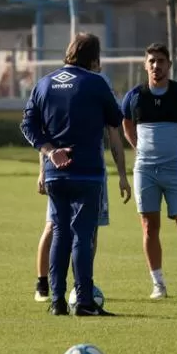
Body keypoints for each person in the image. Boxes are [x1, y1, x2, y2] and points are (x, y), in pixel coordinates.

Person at [21, 33, 124, 317]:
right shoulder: (95, 82)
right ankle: (85, 302)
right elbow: (116, 118)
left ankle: (57, 301)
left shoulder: (44, 84)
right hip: (87, 171)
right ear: (94, 58)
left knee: (60, 234)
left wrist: (50, 150)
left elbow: (28, 124)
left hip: (55, 172)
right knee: (82, 236)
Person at [122, 44, 177, 299]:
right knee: (150, 227)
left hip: (176, 171)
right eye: (151, 61)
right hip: (145, 170)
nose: (156, 66)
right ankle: (158, 284)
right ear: (144, 65)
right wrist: (138, 147)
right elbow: (126, 123)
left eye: (161, 61)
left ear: (170, 65)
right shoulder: (134, 96)